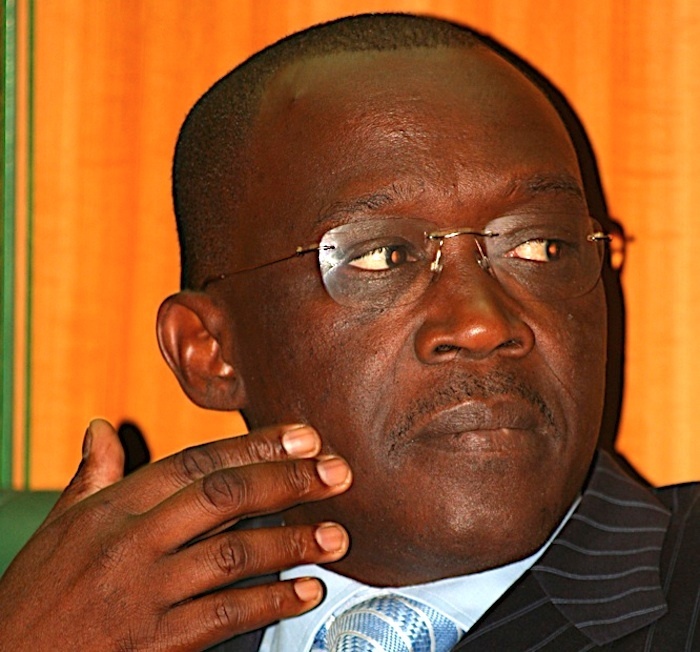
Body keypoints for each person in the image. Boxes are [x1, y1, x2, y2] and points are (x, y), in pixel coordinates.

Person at [0, 12, 698, 651]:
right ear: (209, 351)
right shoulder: (88, 629)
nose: (483, 324)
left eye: (540, 246)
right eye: (382, 256)